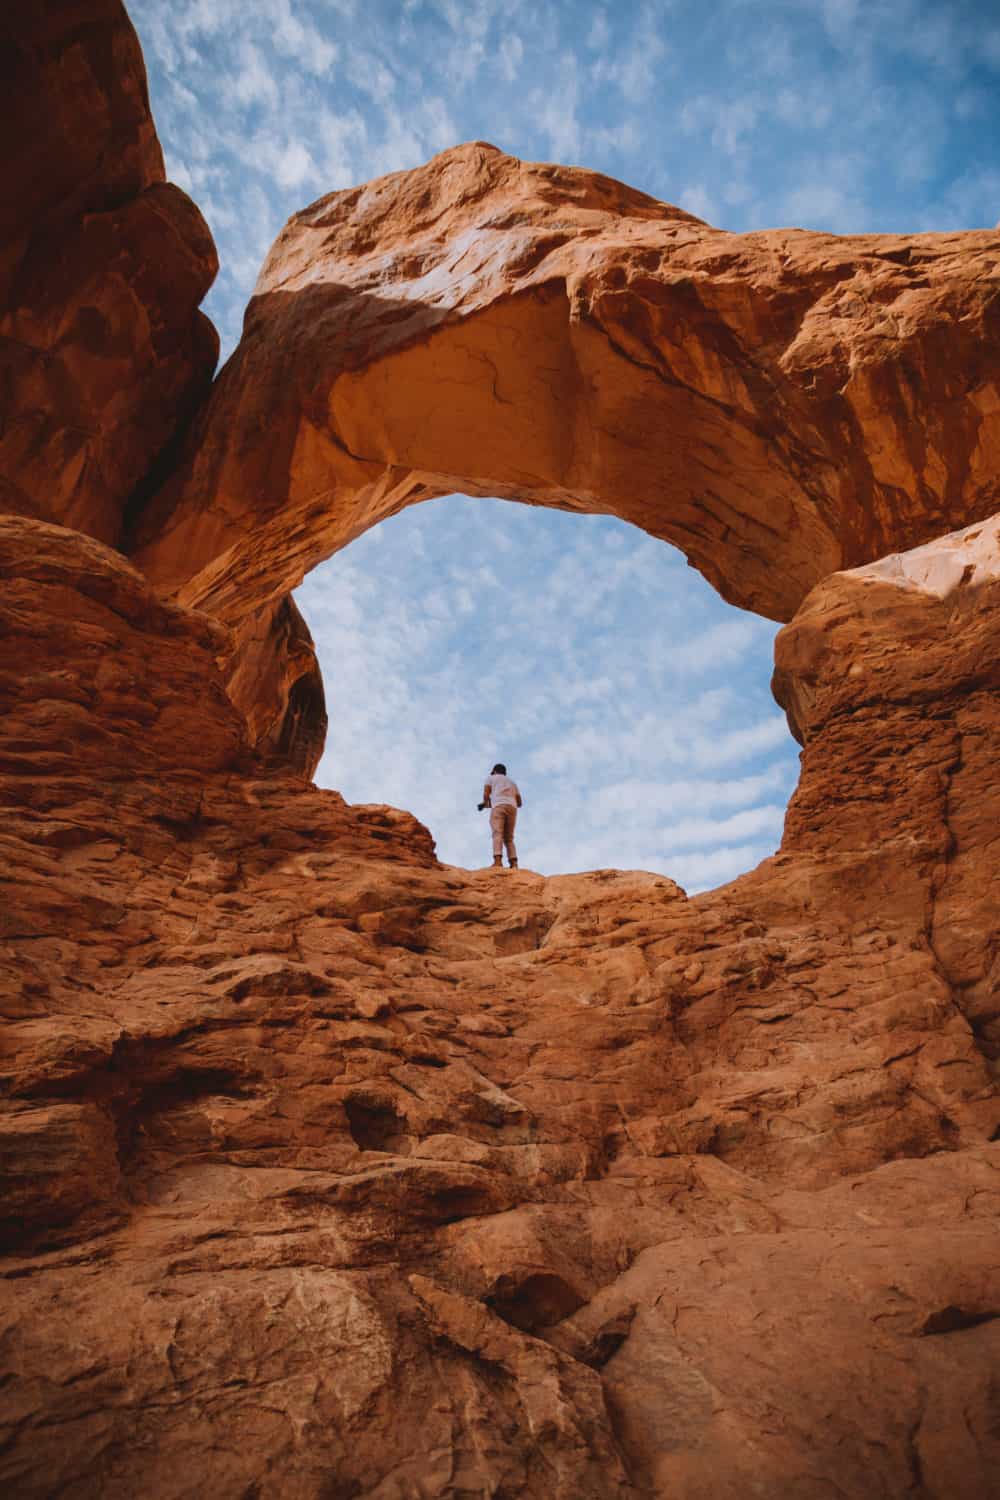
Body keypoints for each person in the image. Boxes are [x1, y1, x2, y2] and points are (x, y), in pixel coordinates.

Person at [478, 762, 522, 869]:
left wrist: (484, 804)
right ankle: (514, 863)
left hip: (498, 807)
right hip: (512, 808)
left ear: (494, 771)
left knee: (497, 833)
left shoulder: (491, 778)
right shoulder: (512, 782)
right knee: (509, 838)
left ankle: (498, 862)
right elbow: (519, 802)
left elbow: (486, 794)